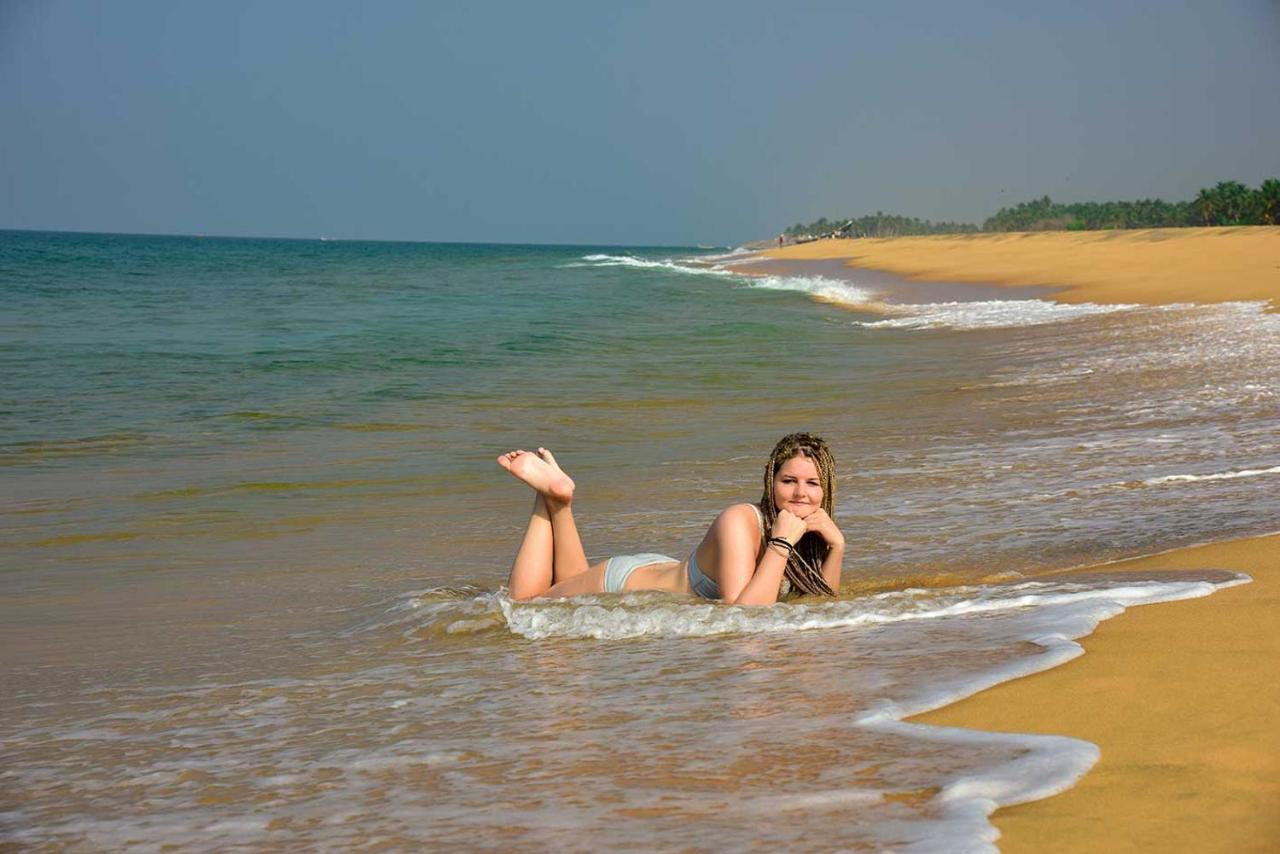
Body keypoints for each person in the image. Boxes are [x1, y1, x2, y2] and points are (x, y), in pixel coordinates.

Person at [498, 433, 843, 605]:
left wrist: (837, 546)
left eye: (812, 484)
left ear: (825, 490)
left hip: (665, 571)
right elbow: (745, 617)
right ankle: (548, 495)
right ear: (771, 482)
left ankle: (559, 499)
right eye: (789, 481)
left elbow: (821, 602)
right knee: (526, 604)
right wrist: (780, 543)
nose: (801, 493)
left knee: (569, 582)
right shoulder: (741, 520)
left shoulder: (805, 530)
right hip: (625, 582)